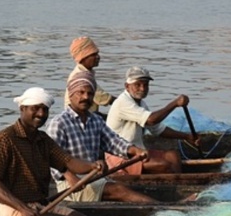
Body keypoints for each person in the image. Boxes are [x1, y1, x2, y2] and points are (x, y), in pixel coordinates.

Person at [0, 87, 105, 216]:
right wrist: (23, 208)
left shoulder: (43, 139)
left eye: (45, 109)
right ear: (22, 109)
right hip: (16, 211)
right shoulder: (4, 139)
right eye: (35, 108)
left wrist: (93, 166)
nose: (41, 114)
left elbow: (68, 162)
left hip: (40, 206)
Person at [46, 71, 155, 203]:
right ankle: (161, 209)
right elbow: (51, 159)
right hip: (70, 185)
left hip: (94, 177)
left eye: (90, 94)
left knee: (123, 188)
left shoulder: (96, 120)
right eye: (81, 92)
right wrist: (70, 177)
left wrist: (135, 150)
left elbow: (113, 142)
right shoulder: (59, 123)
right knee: (119, 190)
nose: (86, 97)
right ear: (71, 94)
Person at [105, 66, 199, 174]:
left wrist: (187, 137)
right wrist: (175, 103)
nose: (142, 89)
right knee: (164, 165)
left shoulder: (141, 104)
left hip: (138, 152)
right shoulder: (123, 102)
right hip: (120, 156)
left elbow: (158, 129)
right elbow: (151, 120)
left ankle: (177, 180)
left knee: (173, 156)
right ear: (127, 86)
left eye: (145, 85)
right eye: (138, 85)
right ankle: (174, 182)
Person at [66, 37, 115, 115]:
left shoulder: (86, 73)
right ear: (83, 58)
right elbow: (102, 97)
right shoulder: (81, 76)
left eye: (97, 53)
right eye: (93, 55)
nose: (98, 57)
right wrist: (122, 102)